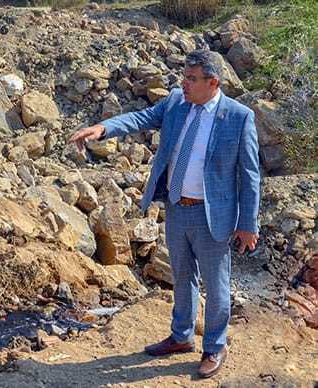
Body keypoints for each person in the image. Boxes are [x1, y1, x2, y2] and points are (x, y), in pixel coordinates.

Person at [68, 49, 260, 378]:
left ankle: (214, 346)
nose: (183, 83)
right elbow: (139, 118)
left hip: (212, 216)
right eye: (183, 76)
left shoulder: (238, 117)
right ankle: (182, 336)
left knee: (216, 285)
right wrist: (103, 128)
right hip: (177, 209)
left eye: (191, 78)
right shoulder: (175, 102)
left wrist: (247, 224)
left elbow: (250, 175)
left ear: (213, 82)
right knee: (182, 277)